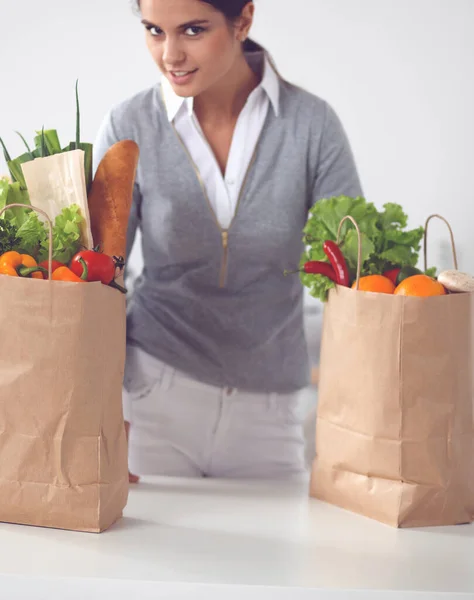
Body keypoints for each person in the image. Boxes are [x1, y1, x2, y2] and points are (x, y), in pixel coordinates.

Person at [93, 0, 363, 482]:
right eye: (154, 30)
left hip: (271, 410)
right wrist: (97, 413)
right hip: (152, 397)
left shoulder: (312, 126)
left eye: (193, 31)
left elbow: (356, 279)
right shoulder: (128, 126)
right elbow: (97, 279)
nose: (169, 54)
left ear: (243, 20)